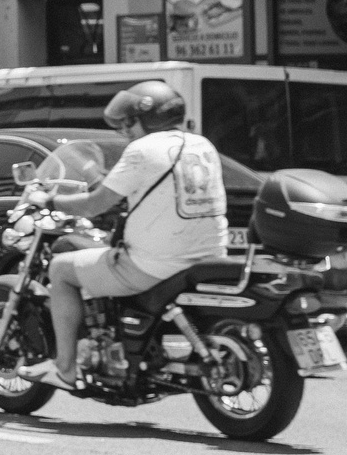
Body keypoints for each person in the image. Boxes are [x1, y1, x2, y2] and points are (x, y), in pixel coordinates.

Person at [17, 79, 229, 389]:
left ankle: (64, 368)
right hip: (209, 256)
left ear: (147, 119)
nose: (126, 129)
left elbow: (94, 204)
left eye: (130, 121)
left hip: (154, 264)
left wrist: (48, 200)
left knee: (61, 269)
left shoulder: (143, 150)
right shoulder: (201, 144)